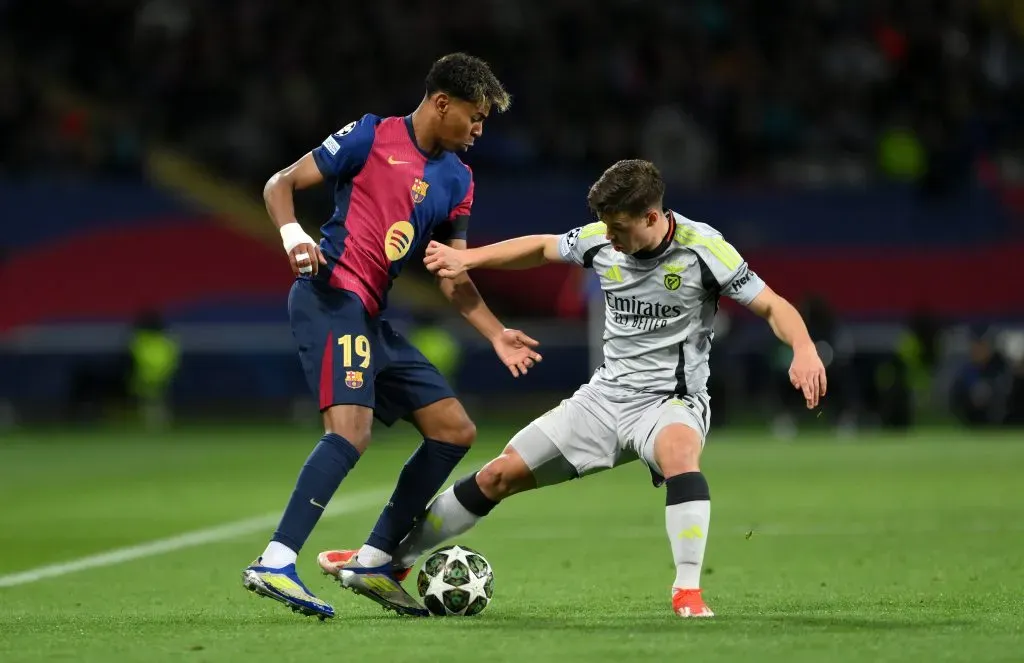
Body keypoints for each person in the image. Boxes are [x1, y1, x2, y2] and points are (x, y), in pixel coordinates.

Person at [319, 159, 827, 618]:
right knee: (498, 476)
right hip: (603, 399)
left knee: (678, 453)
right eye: (608, 228)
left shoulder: (703, 249)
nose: (612, 238)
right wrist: (470, 259)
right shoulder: (602, 239)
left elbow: (773, 305)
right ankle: (392, 562)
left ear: (652, 217)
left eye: (621, 229)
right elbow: (541, 247)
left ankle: (688, 591)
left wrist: (803, 348)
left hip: (670, 400)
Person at [242, 53, 543, 619]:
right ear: (441, 103)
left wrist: (497, 332)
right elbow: (279, 184)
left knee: (454, 429)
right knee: (350, 433)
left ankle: (373, 559)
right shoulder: (370, 135)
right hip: (331, 298)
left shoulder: (458, 180)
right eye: (475, 117)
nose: (479, 131)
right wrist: (292, 236)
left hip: (371, 319)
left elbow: (453, 276)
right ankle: (276, 560)